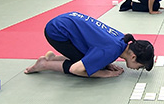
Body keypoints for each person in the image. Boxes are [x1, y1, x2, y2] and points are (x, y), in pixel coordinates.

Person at [24, 12, 154, 78]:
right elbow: (75, 69)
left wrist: (106, 64)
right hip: (57, 31)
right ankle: (45, 64)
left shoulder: (122, 40)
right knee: (83, 67)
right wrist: (105, 74)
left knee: (95, 63)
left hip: (65, 20)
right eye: (140, 66)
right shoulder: (111, 50)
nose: (137, 69)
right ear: (133, 57)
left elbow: (101, 46)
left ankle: (52, 59)